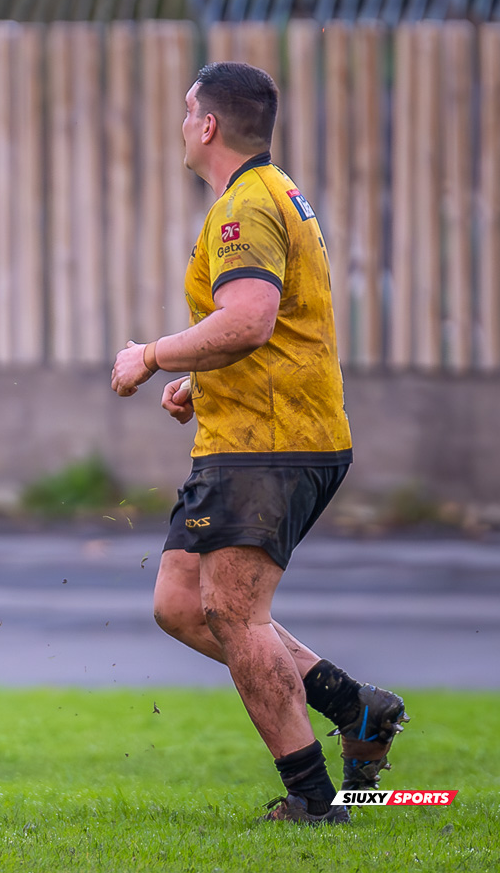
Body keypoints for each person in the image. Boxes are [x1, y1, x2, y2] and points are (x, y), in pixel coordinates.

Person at [109, 62, 407, 825]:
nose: (181, 126)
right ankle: (357, 707)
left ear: (207, 125)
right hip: (258, 432)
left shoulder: (244, 207)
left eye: (186, 114)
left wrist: (152, 355)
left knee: (236, 617)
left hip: (268, 445)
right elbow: (277, 331)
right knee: (181, 604)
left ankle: (314, 803)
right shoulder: (278, 194)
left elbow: (250, 320)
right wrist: (201, 384)